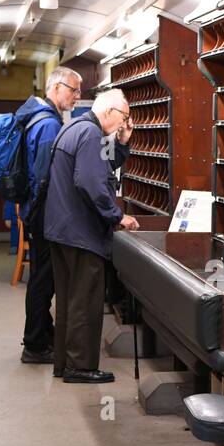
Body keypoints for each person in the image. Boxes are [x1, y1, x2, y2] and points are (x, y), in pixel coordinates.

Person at [44, 88, 140, 383]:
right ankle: (81, 367)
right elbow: (90, 182)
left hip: (61, 230)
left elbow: (104, 166)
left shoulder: (76, 127)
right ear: (110, 112)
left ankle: (65, 363)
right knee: (85, 301)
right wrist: (117, 216)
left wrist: (122, 143)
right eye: (124, 118)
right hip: (81, 233)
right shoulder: (91, 135)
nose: (125, 124)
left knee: (69, 300)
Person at [17, 66, 83, 364]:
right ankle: (35, 344)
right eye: (73, 90)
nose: (77, 97)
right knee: (44, 279)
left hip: (38, 211)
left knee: (44, 277)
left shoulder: (44, 119)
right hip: (44, 214)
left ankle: (43, 334)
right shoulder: (47, 126)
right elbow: (46, 177)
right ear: (56, 88)